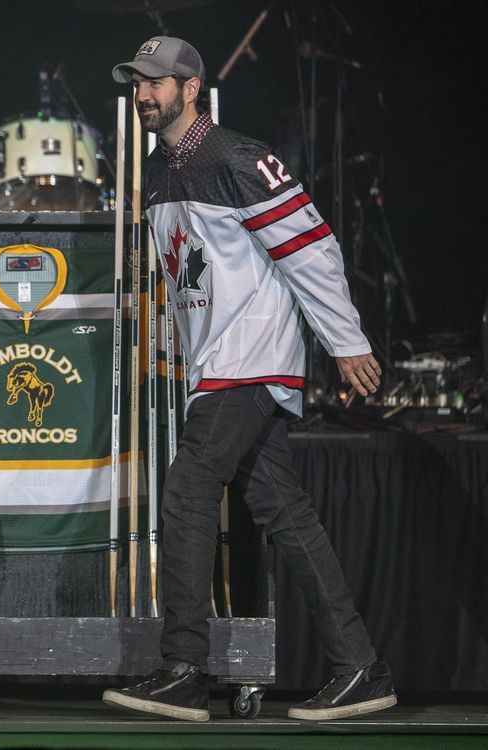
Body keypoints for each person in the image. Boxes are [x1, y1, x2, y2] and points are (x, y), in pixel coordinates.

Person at [102, 37, 397, 722]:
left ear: (191, 87)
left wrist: (346, 342)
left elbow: (311, 246)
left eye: (156, 83)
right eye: (137, 84)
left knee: (189, 487)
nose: (144, 94)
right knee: (282, 510)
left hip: (253, 355)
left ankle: (183, 668)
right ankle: (360, 667)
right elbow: (189, 275)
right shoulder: (158, 168)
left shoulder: (234, 156)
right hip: (220, 363)